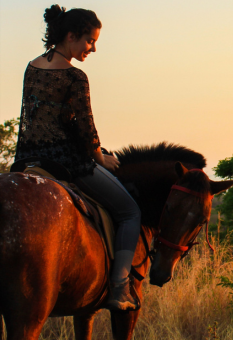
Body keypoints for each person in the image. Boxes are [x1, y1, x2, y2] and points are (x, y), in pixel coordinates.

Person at [15, 4, 141, 311]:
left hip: (26, 160)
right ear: (71, 36)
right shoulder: (75, 76)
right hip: (65, 161)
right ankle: (119, 288)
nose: (93, 48)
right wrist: (101, 158)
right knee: (129, 211)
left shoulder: (31, 66)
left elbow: (33, 121)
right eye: (89, 40)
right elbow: (85, 128)